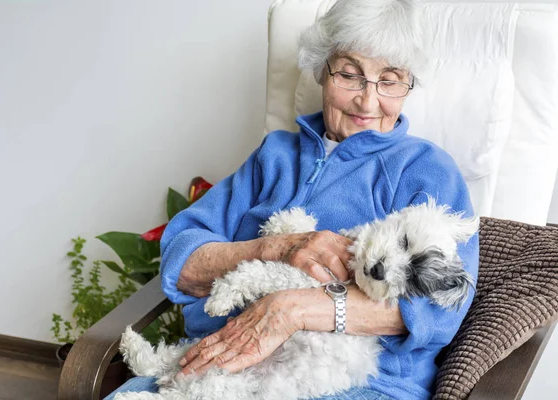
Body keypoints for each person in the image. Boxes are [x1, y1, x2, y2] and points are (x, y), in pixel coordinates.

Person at [105, 0, 479, 399]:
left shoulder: (426, 168)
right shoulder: (275, 155)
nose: (367, 102)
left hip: (358, 383)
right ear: (321, 69)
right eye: (350, 75)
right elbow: (181, 259)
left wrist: (292, 309)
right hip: (212, 365)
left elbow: (441, 309)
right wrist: (275, 249)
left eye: (389, 80)